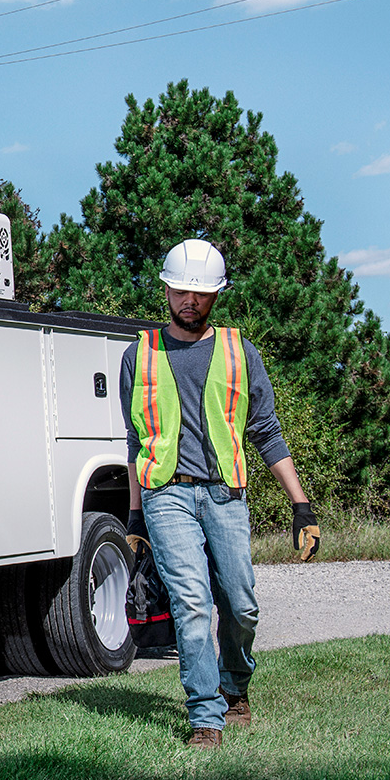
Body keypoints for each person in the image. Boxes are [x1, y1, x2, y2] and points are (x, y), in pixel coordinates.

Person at [119, 239, 320, 750]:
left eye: (201, 293)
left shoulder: (238, 351)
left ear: (216, 296)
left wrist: (301, 504)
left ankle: (235, 686)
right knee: (192, 603)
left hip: (226, 494)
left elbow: (267, 432)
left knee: (241, 603)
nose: (190, 301)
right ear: (166, 289)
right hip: (166, 494)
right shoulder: (138, 355)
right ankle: (205, 715)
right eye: (182, 290)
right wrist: (134, 520)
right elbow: (135, 443)